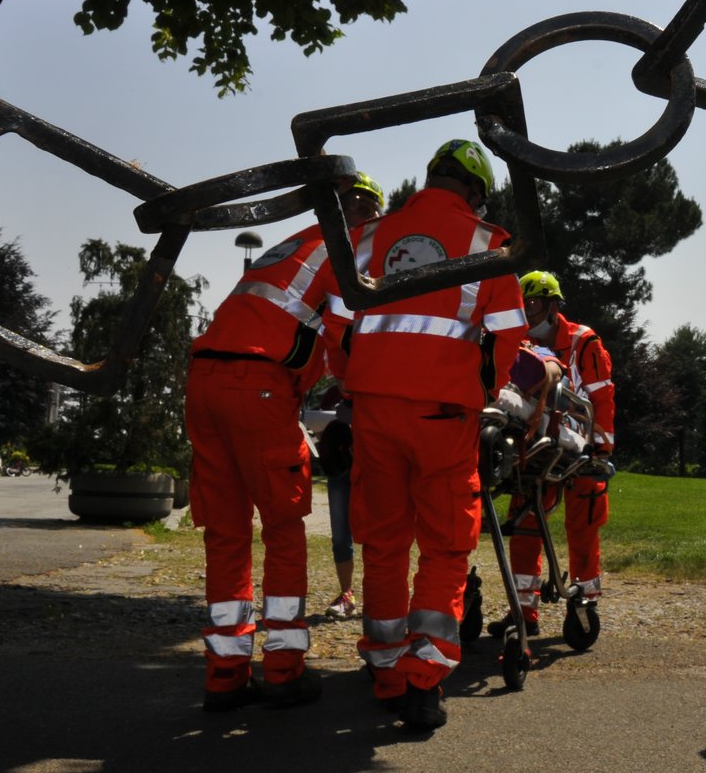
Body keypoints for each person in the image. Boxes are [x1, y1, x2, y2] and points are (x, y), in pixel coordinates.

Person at [337, 138, 526, 730]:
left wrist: (356, 383)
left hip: (372, 407)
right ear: (475, 191)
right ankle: (424, 679)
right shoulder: (488, 244)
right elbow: (507, 339)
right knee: (446, 545)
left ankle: (387, 672)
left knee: (384, 541)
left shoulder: (369, 237)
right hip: (443, 414)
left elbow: (336, 329)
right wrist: (484, 391)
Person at [184, 169, 382, 714]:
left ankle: (224, 675)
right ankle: (283, 670)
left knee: (225, 532)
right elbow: (344, 341)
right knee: (283, 527)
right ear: (367, 215)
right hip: (259, 388)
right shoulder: (344, 256)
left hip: (204, 380)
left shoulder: (290, 246)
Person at [491, 270, 615, 637]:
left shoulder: (583, 341)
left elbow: (602, 396)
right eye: (522, 304)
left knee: (584, 521)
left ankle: (585, 602)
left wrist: (601, 448)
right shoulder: (517, 343)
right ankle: (524, 611)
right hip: (534, 440)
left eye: (533, 303)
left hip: (576, 440)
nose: (527, 311)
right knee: (526, 523)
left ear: (553, 305)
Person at [313, 172, 386, 619]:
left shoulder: (392, 260)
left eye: (367, 203)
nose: (360, 211)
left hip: (381, 414)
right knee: (340, 514)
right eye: (351, 204)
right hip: (345, 417)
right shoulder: (323, 258)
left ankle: (385, 596)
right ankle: (348, 593)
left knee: (384, 521)